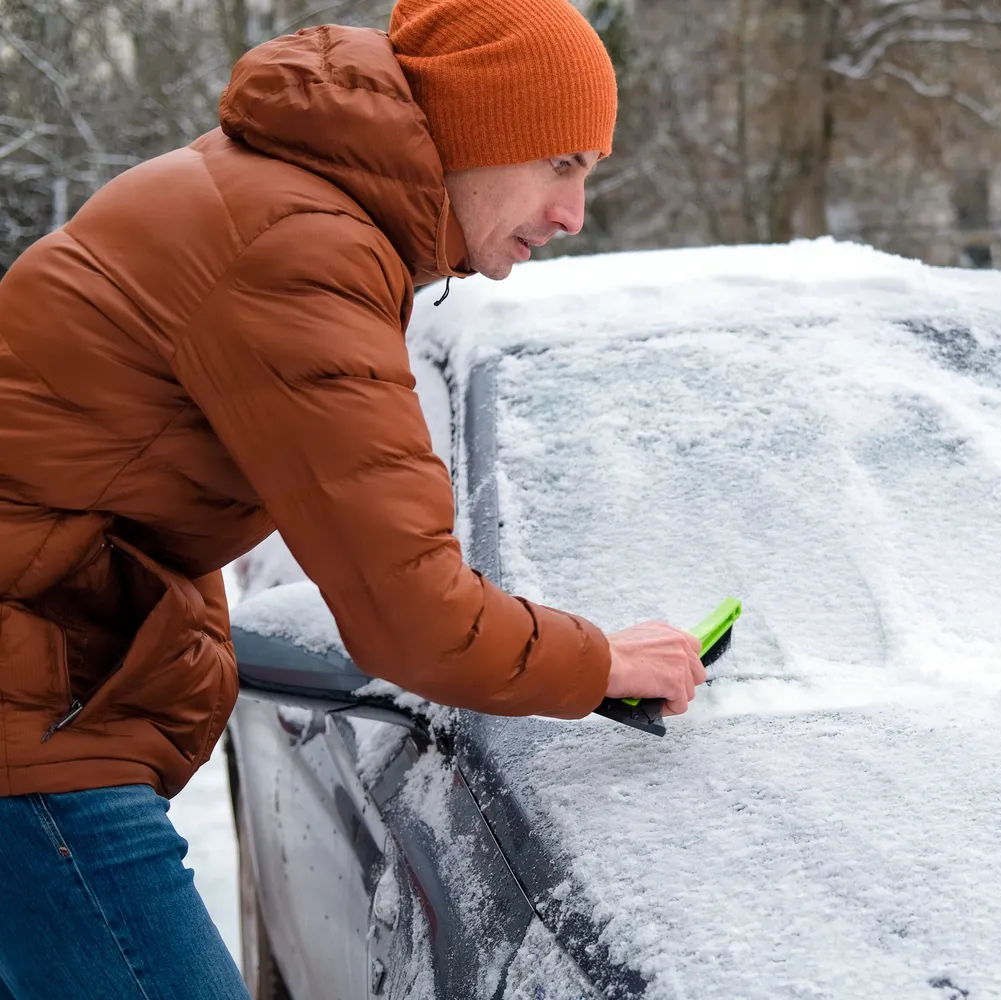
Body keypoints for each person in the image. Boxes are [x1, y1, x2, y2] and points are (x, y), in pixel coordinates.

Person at [0, 0, 706, 995]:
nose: (572, 214)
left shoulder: (292, 208)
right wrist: (603, 661)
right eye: (563, 163)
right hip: (29, 706)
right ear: (478, 130)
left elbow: (115, 501)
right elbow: (413, 617)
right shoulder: (302, 248)